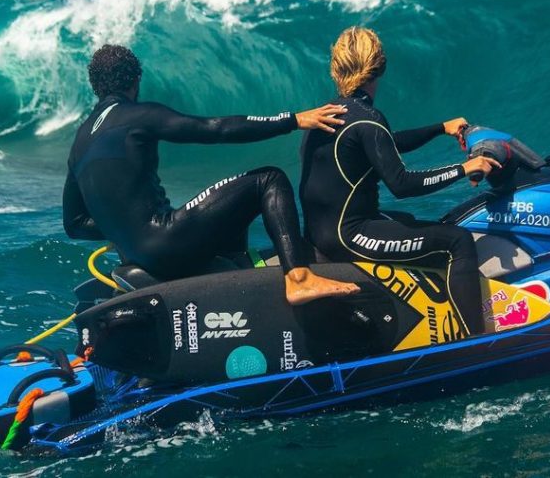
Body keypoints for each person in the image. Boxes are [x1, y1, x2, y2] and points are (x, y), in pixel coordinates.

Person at [63, 44, 359, 305]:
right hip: (166, 243)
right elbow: (215, 128)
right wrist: (292, 120)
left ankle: (239, 280)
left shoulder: (81, 141)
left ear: (95, 86)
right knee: (268, 180)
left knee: (226, 204)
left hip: (137, 255)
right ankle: (299, 279)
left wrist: (123, 228)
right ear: (136, 79)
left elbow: (74, 224)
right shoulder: (137, 115)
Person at [299, 27, 501, 336]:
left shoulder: (326, 114)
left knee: (405, 221)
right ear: (379, 66)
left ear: (336, 68)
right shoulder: (368, 118)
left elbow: (384, 146)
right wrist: (464, 168)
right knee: (456, 241)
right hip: (349, 236)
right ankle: (475, 341)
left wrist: (440, 128)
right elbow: (402, 184)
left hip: (319, 235)